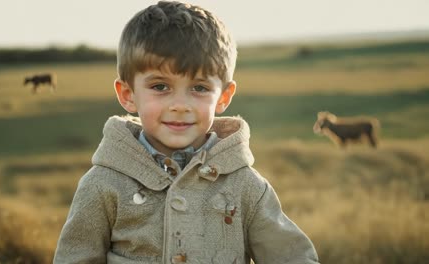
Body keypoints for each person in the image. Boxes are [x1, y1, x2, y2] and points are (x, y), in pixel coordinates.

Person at [53, 1, 319, 263]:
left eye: (200, 88)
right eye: (160, 87)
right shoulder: (103, 184)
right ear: (128, 95)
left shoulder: (245, 185)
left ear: (224, 97)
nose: (180, 106)